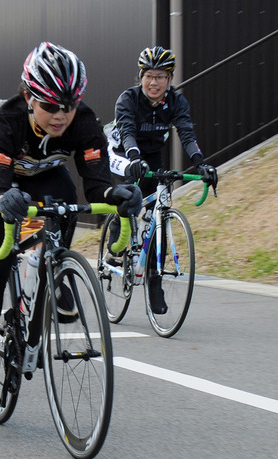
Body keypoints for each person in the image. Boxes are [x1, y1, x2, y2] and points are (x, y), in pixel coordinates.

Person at [0, 42, 142, 411]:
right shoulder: (3, 122)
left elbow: (96, 180)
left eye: (69, 106)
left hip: (40, 167)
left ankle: (52, 271)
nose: (62, 115)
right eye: (51, 106)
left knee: (66, 197)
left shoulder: (83, 121)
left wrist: (116, 193)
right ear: (29, 96)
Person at [105, 45, 218, 314]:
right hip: (123, 152)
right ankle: (116, 239)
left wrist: (200, 163)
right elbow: (128, 132)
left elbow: (187, 134)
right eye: (149, 76)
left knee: (159, 211)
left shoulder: (177, 102)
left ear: (169, 79)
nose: (154, 82)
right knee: (130, 197)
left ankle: (155, 282)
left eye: (161, 76)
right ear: (141, 76)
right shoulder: (128, 99)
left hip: (153, 155)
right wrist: (133, 158)